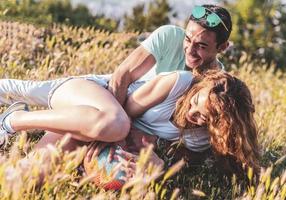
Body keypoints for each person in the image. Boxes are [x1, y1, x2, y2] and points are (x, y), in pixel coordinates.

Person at [0, 4, 232, 163]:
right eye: (188, 39)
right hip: (105, 94)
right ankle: (12, 120)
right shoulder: (170, 36)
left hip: (111, 119)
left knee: (39, 165)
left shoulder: (214, 88)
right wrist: (117, 140)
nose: (189, 50)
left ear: (222, 48)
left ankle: (19, 119)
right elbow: (122, 75)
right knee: (23, 90)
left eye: (201, 46)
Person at [0, 70, 260, 177]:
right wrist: (118, 142)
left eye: (206, 117)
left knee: (27, 175)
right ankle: (13, 120)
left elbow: (171, 159)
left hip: (89, 128)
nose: (193, 114)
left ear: (222, 124)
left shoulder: (204, 139)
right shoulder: (178, 83)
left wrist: (156, 163)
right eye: (195, 102)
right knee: (116, 124)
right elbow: (122, 110)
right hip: (92, 99)